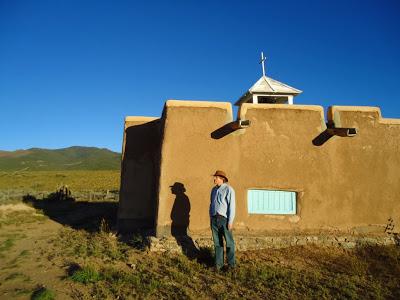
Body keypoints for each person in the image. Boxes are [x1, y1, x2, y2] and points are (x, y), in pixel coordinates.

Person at [209, 170, 236, 270]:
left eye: (216, 177)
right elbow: (211, 204)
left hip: (224, 219)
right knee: (217, 243)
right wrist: (210, 218)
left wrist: (230, 221)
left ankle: (231, 265)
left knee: (229, 242)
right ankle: (218, 265)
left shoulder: (229, 189)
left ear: (221, 178)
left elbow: (232, 206)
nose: (214, 179)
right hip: (214, 219)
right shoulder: (213, 190)